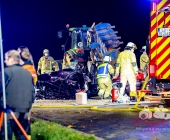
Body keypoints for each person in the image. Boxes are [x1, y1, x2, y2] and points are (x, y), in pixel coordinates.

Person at [0, 50, 35, 140]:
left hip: (9, 112)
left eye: (6, 59)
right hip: (25, 111)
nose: (4, 61)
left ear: (11, 59)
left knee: (6, 136)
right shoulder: (27, 73)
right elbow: (32, 91)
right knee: (22, 136)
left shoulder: (6, 72)